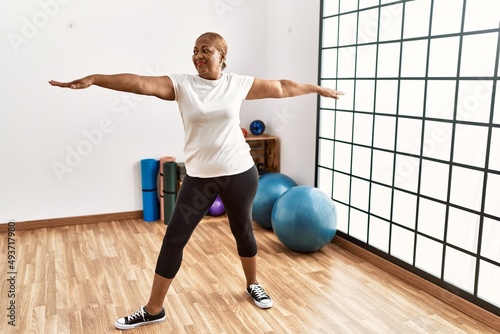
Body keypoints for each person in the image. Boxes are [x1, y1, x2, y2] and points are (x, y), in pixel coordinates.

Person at [49, 32, 343, 330]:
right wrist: (97, 78)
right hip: (200, 178)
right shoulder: (183, 85)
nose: (198, 56)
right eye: (194, 51)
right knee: (174, 239)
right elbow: (139, 82)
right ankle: (154, 309)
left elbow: (281, 87)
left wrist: (316, 89)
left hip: (240, 173)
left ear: (222, 57)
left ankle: (253, 283)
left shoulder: (237, 84)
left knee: (242, 231)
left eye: (206, 50)